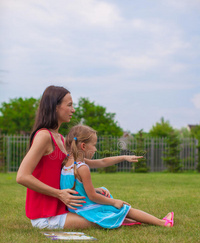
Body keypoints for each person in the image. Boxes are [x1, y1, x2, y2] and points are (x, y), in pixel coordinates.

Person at [16, 85, 143, 230]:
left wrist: (93, 189)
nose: (73, 110)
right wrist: (59, 194)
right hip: (47, 216)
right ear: (55, 107)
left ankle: (150, 220)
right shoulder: (44, 136)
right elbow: (22, 176)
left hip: (62, 210)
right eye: (69, 105)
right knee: (106, 218)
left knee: (108, 212)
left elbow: (92, 163)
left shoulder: (61, 139)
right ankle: (155, 221)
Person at [60, 124, 174, 228]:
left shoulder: (67, 163)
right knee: (125, 208)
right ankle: (163, 223)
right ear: (83, 146)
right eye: (94, 145)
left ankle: (124, 219)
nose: (95, 149)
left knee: (103, 191)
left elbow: (103, 162)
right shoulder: (82, 167)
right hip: (87, 209)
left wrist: (124, 157)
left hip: (76, 209)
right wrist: (114, 202)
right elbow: (92, 197)